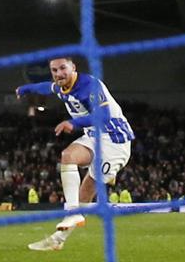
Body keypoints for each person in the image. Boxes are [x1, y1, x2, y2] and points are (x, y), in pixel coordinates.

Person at [17, 57, 134, 251]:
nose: (58, 74)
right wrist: (26, 89)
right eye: (54, 70)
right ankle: (64, 228)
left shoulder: (89, 84)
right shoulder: (62, 86)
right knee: (67, 156)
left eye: (63, 68)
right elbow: (48, 87)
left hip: (115, 140)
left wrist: (73, 123)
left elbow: (103, 115)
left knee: (85, 193)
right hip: (93, 136)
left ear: (73, 68)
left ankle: (60, 236)